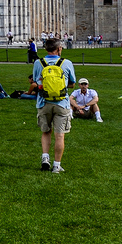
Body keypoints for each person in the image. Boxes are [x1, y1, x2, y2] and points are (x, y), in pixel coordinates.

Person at [32, 37, 76, 173]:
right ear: (59, 49)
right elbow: (72, 83)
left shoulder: (38, 63)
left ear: (45, 49)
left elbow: (35, 81)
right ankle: (56, 165)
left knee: (46, 132)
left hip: (43, 102)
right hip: (62, 103)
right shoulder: (66, 63)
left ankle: (45, 158)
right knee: (60, 135)